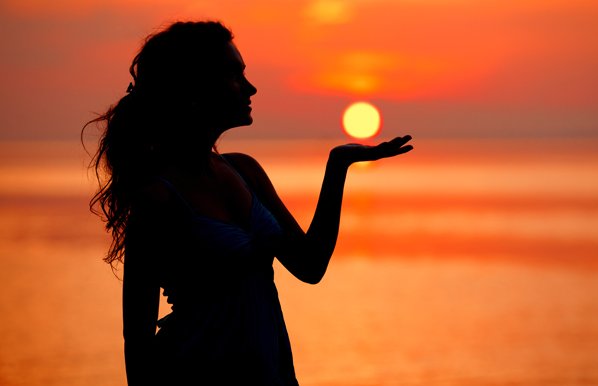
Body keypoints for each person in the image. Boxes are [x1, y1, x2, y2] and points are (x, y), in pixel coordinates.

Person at [84, 21, 413, 386]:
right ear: (196, 88)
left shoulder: (245, 171)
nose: (250, 87)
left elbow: (310, 264)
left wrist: (338, 166)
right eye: (235, 75)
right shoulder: (158, 199)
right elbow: (138, 339)